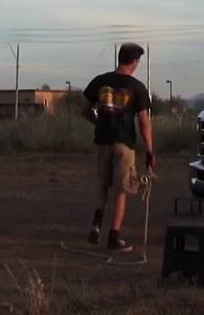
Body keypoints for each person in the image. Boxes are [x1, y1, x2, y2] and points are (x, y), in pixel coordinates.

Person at [81, 42, 154, 252]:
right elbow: (143, 122)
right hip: (124, 144)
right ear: (133, 61)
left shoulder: (100, 81)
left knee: (103, 186)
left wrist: (97, 122)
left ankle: (96, 225)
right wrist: (150, 151)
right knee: (122, 190)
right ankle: (114, 237)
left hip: (103, 142)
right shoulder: (137, 87)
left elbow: (84, 108)